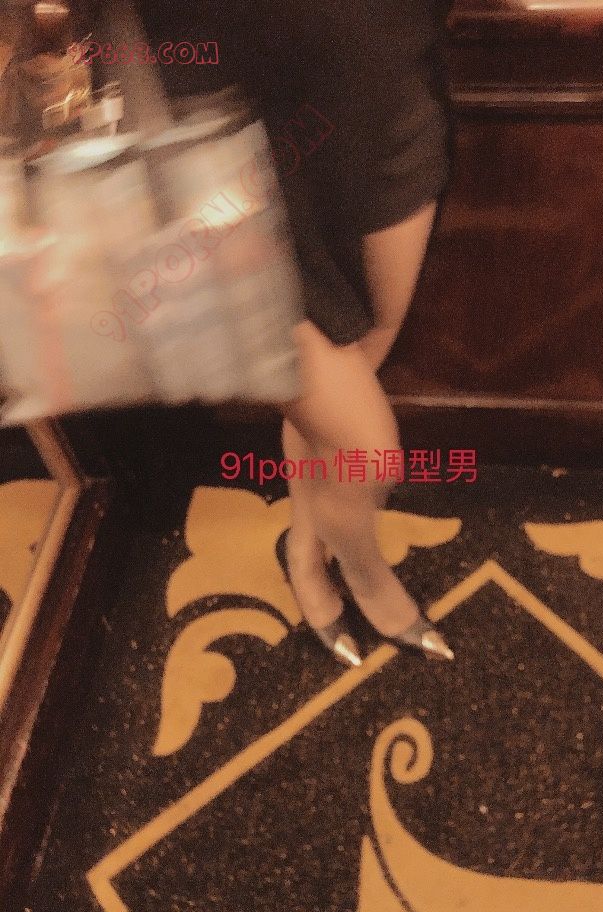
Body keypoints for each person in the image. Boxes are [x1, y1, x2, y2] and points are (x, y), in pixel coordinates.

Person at [102, 0, 457, 665]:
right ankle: (358, 571)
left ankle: (306, 531)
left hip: (386, 106)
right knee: (369, 452)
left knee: (358, 369)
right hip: (231, 161)